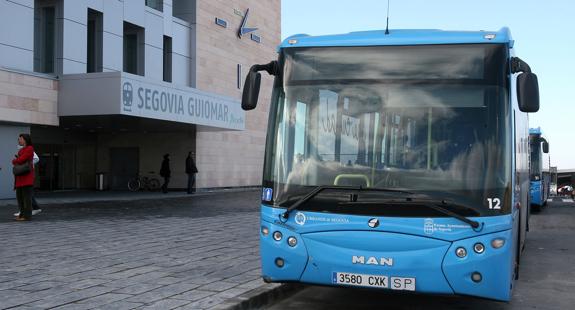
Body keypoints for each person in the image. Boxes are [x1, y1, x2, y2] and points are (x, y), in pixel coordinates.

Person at [12, 133, 35, 221]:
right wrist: (17, 160)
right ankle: (22, 214)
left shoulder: (30, 148)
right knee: (20, 198)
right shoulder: (21, 150)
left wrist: (14, 160)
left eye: (20, 139)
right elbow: (20, 160)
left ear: (25, 139)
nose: (19, 140)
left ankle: (27, 216)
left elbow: (21, 160)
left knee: (26, 198)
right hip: (20, 177)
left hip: (26, 177)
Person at [13, 151, 42, 217]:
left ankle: (24, 211)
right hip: (22, 172)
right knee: (26, 193)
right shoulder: (21, 150)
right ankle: (35, 208)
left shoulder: (28, 149)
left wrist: (27, 164)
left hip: (27, 173)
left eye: (20, 140)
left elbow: (36, 159)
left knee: (25, 193)